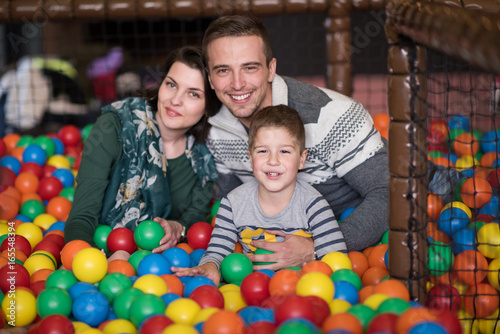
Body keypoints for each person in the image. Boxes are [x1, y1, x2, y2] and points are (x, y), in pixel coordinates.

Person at [202, 15, 389, 268]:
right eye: (223, 70)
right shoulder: (218, 130)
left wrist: (317, 249)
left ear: (271, 69)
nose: (237, 84)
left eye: (250, 67)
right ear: (211, 79)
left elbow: (390, 193)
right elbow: (228, 206)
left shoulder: (331, 116)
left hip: (382, 227)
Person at [64, 46, 220, 257]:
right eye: (171, 85)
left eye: (193, 94)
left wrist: (178, 228)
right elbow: (81, 216)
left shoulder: (202, 161)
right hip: (103, 252)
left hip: (158, 269)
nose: (175, 100)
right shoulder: (115, 126)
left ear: (209, 107)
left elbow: (192, 221)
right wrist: (86, 260)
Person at [173, 105, 347, 284]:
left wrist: (312, 258)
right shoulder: (232, 204)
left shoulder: (314, 205)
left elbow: (336, 259)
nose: (273, 161)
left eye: (284, 151)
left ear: (301, 159)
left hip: (302, 289)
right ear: (251, 157)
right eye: (263, 151)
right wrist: (209, 266)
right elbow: (217, 251)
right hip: (251, 290)